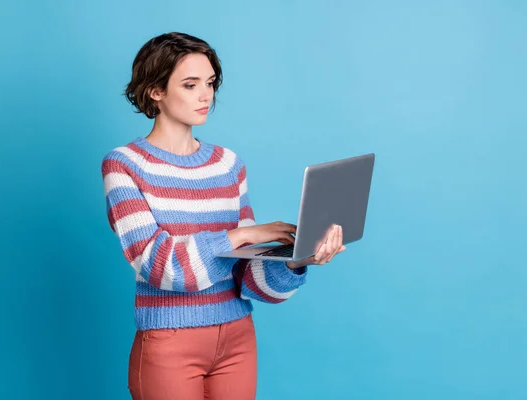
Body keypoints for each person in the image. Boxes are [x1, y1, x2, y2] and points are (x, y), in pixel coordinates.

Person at [101, 32, 345, 400]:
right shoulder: (125, 165)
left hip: (238, 338)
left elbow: (248, 280)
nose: (206, 95)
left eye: (210, 83)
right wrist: (243, 235)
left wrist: (298, 260)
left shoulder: (228, 165)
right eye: (190, 84)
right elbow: (161, 267)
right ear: (155, 90)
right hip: (169, 343)